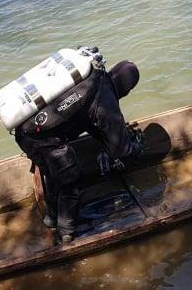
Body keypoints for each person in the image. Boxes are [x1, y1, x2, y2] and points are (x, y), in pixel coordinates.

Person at [15, 58, 143, 244]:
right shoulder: (106, 99)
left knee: (53, 174)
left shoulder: (93, 80)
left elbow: (88, 120)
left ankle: (52, 217)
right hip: (45, 139)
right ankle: (66, 233)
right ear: (127, 87)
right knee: (71, 182)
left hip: (25, 132)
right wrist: (136, 148)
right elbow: (121, 151)